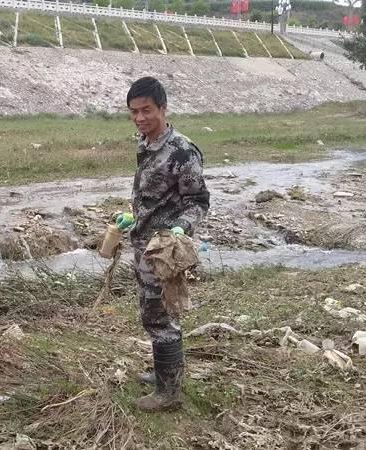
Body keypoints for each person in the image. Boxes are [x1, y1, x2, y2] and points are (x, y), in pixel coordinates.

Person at [125, 77, 210, 411]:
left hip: (163, 249)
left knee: (160, 317)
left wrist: (179, 228)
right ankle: (165, 373)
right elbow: (153, 197)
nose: (140, 117)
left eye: (147, 110)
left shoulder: (182, 150)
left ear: (163, 108)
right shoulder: (146, 143)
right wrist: (134, 218)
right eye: (134, 111)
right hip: (143, 242)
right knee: (151, 312)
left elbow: (198, 201)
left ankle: (168, 393)